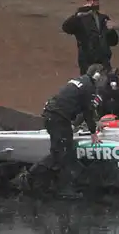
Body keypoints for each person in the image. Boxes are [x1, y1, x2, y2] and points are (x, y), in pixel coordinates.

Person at [32, 64, 104, 199]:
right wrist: (93, 132)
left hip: (54, 116)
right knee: (63, 153)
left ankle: (39, 180)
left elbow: (78, 106)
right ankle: (36, 178)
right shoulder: (89, 87)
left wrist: (74, 124)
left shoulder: (81, 82)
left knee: (60, 152)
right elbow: (87, 112)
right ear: (97, 76)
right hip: (58, 118)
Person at [61, 0, 119, 75]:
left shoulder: (104, 18)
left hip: (104, 60)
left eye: (95, 0)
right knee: (89, 82)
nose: (92, 3)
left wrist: (111, 31)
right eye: (89, 0)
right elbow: (66, 28)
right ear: (83, 3)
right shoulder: (79, 19)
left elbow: (113, 42)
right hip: (87, 61)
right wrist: (78, 14)